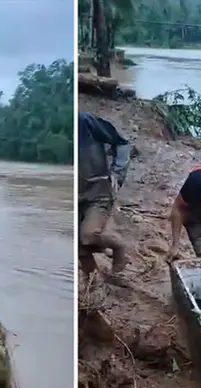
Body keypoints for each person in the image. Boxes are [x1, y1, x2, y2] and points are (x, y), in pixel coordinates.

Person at [79, 112, 131, 281]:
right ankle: (93, 284)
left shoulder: (84, 121)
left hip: (98, 192)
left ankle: (119, 246)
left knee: (88, 235)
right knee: (78, 247)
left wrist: (117, 174)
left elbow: (123, 143)